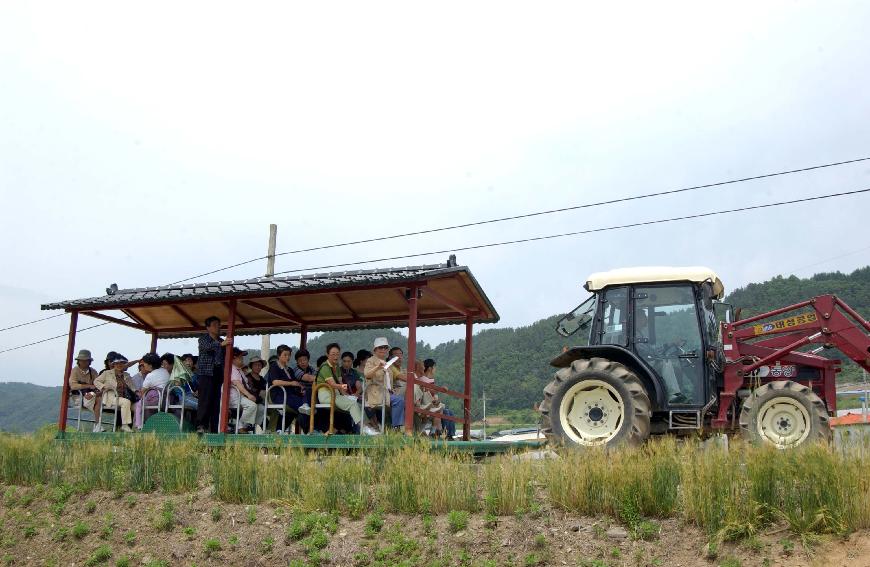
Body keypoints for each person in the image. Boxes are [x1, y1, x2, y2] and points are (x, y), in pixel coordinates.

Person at [634, 310, 687, 404]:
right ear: (637, 319)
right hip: (640, 365)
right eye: (644, 317)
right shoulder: (634, 335)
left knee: (673, 363)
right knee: (666, 363)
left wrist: (669, 345)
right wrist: (668, 345)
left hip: (644, 362)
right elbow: (649, 351)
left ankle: (678, 393)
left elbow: (652, 351)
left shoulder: (639, 334)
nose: (646, 319)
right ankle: (674, 394)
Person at [197, 316, 232, 433]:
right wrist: (222, 345)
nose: (218, 327)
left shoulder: (222, 341)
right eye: (215, 325)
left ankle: (215, 427)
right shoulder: (203, 339)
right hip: (206, 373)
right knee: (205, 399)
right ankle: (201, 425)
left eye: (219, 324)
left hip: (218, 372)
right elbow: (207, 347)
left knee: (217, 401)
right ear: (208, 327)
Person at [364, 338, 405, 431]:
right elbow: (367, 374)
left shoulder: (388, 363)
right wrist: (378, 367)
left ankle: (400, 428)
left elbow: (393, 378)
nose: (383, 350)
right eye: (380, 347)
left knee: (405, 399)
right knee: (399, 401)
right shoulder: (371, 360)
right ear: (375, 350)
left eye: (385, 348)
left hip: (387, 393)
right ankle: (396, 428)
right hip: (376, 393)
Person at [265, 344, 307, 432]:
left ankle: (278, 429)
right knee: (301, 407)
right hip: (278, 395)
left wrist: (300, 388)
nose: (287, 357)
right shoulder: (274, 367)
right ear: (279, 355)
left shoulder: (289, 370)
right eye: (285, 355)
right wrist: (291, 383)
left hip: (290, 395)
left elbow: (295, 383)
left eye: (289, 355)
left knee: (303, 403)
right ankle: (309, 429)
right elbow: (275, 382)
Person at [94, 354, 136, 432]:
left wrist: (137, 392)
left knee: (139, 406)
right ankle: (125, 425)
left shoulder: (126, 375)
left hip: (126, 397)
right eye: (117, 363)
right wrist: (104, 387)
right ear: (113, 364)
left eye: (122, 363)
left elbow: (132, 387)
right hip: (112, 397)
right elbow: (96, 381)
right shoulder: (107, 373)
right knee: (126, 402)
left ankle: (139, 428)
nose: (119, 365)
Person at [228, 348, 263, 433]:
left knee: (261, 408)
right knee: (251, 406)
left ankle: (250, 425)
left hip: (241, 396)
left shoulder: (239, 370)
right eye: (240, 357)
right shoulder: (232, 369)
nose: (242, 359)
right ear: (233, 358)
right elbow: (238, 384)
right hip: (235, 397)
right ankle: (240, 427)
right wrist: (249, 395)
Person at [68, 349, 103, 432]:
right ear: (78, 361)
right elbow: (73, 386)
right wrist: (88, 386)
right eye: (82, 360)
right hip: (78, 396)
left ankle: (97, 425)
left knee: (99, 399)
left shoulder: (93, 372)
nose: (84, 362)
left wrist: (92, 392)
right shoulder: (75, 371)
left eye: (86, 360)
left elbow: (98, 386)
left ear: (89, 361)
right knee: (98, 402)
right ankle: (97, 425)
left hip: (91, 395)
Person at [136, 353, 171, 429]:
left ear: (150, 365)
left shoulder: (150, 376)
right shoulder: (165, 371)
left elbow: (143, 391)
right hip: (167, 399)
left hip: (156, 399)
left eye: (144, 363)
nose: (143, 365)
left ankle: (139, 425)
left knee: (139, 404)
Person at [414, 359, 447, 436]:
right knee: (440, 410)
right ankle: (436, 432)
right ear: (430, 368)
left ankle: (437, 432)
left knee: (444, 411)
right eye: (434, 367)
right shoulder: (422, 379)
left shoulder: (430, 380)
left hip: (429, 402)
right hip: (423, 402)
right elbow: (428, 391)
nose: (435, 369)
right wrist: (440, 390)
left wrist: (438, 391)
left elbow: (432, 393)